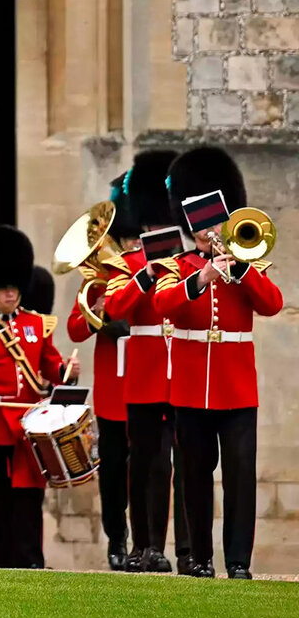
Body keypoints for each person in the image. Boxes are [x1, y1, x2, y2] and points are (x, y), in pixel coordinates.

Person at [154, 147, 282, 580]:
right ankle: (200, 558)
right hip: (191, 389)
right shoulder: (179, 266)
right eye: (204, 226)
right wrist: (202, 277)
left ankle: (239, 562)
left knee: (241, 478)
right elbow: (164, 304)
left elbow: (272, 304)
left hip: (237, 389)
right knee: (193, 477)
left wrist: (242, 270)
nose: (211, 232)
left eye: (216, 224)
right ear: (193, 227)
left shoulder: (248, 264)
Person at [0, 226, 81, 568]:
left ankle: (28, 559)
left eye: (14, 288)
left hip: (26, 425)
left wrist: (67, 371)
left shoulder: (37, 324)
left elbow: (51, 364)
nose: (10, 295)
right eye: (3, 289)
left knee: (29, 496)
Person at [105, 150, 195, 574]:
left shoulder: (191, 263)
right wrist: (145, 274)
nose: (158, 229)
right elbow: (117, 308)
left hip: (186, 373)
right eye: (153, 224)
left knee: (184, 466)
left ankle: (188, 550)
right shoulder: (128, 264)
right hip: (144, 376)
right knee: (145, 464)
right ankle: (145, 545)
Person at [64, 174, 136, 570]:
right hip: (112, 389)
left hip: (148, 382)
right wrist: (102, 311)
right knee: (112, 473)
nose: (129, 246)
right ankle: (117, 540)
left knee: (148, 469)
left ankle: (147, 541)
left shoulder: (154, 271)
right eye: (126, 240)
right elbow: (76, 327)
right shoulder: (98, 283)